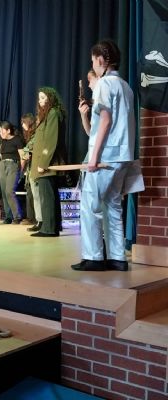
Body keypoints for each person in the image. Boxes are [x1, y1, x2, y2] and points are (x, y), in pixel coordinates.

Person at [71, 39, 139, 272]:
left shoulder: (104, 84)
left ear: (100, 60)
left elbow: (106, 121)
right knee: (113, 205)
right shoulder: (126, 86)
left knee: (90, 205)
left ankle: (93, 257)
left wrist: (93, 157)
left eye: (93, 61)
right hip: (123, 155)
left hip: (106, 156)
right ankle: (118, 258)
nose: (93, 64)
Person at [29, 87, 66, 237]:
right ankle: (53, 227)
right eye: (39, 98)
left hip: (47, 163)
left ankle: (49, 229)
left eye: (43, 98)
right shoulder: (48, 114)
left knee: (47, 196)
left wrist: (43, 163)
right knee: (50, 195)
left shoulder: (53, 113)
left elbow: (50, 141)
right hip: (44, 163)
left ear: (51, 98)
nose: (40, 101)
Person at [0, 121, 24, 224]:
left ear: (8, 130)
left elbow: (22, 156)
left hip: (13, 165)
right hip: (3, 165)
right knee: (4, 191)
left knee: (9, 191)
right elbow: (1, 154)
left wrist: (21, 170)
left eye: (2, 131)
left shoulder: (17, 140)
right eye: (0, 131)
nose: (1, 133)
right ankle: (8, 216)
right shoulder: (3, 141)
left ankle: (17, 216)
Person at [21, 113, 41, 229]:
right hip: (31, 169)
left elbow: (28, 148)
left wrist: (25, 152)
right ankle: (37, 219)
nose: (22, 126)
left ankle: (39, 220)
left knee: (37, 196)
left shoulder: (36, 135)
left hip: (36, 168)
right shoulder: (31, 136)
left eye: (23, 123)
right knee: (33, 195)